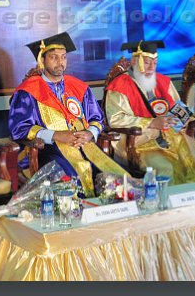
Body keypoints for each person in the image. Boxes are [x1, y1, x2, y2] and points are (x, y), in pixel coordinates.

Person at [9, 32, 128, 197]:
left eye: (63, 57)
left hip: (85, 145)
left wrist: (89, 133)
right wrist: (56, 135)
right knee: (70, 181)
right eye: (54, 57)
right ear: (42, 60)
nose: (60, 62)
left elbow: (97, 118)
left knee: (114, 180)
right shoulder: (27, 92)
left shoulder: (79, 87)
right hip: (47, 149)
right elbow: (19, 128)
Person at [104, 40, 195, 183]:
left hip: (173, 138)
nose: (152, 68)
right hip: (141, 143)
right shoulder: (119, 85)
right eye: (147, 63)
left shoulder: (163, 81)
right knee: (166, 169)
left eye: (155, 63)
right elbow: (116, 119)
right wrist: (151, 123)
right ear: (134, 61)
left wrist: (184, 119)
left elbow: (178, 108)